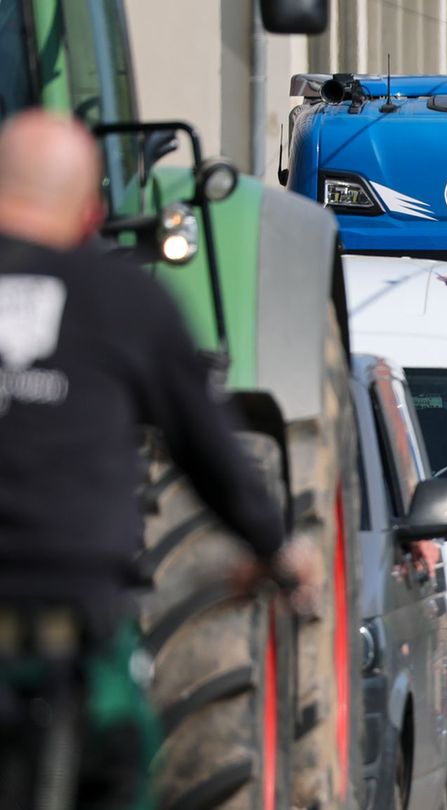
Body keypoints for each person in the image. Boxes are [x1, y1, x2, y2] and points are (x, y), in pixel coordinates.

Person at [0, 111, 319, 806]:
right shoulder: (126, 300)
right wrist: (277, 547)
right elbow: (208, 448)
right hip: (75, 626)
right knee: (116, 762)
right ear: (92, 212)